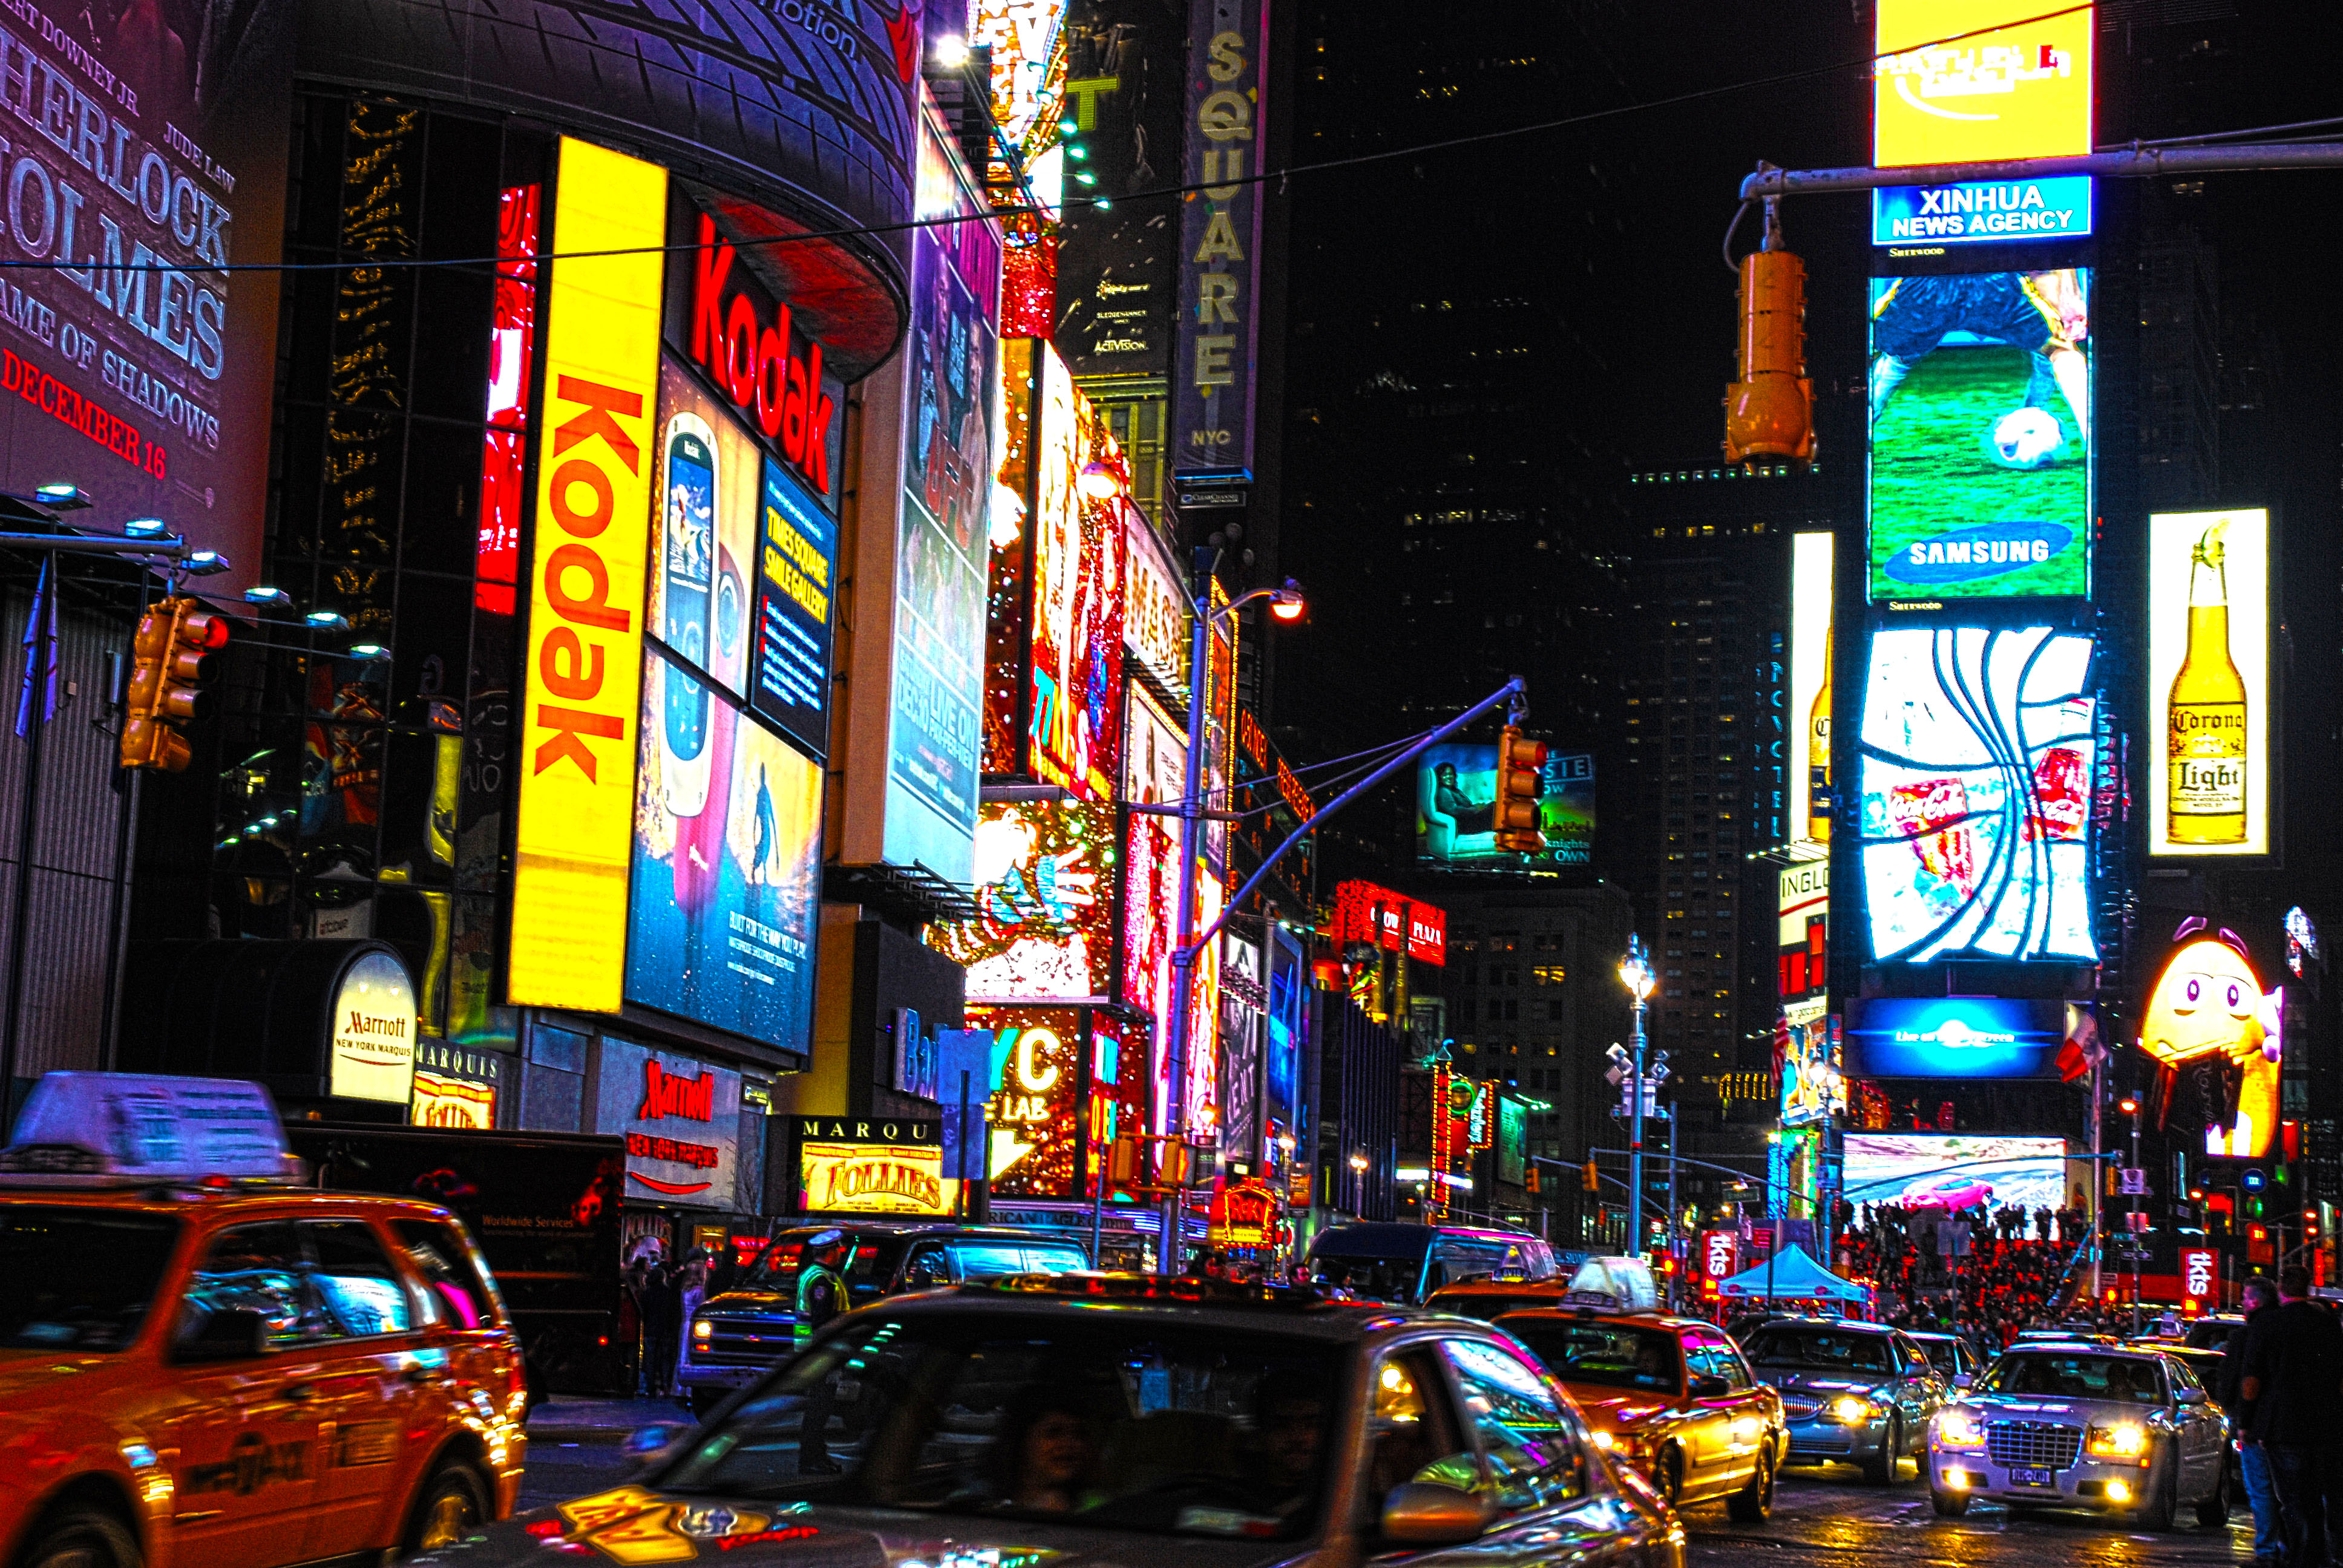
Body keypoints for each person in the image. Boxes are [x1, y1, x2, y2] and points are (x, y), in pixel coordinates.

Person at [2240, 1266, 2342, 1568]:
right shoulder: (2328, 1325)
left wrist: (2246, 1422)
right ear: (2309, 1288)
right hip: (2324, 1424)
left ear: (2282, 1288)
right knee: (2319, 1494)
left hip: (2283, 1425)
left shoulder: (2268, 1324)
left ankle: (2300, 1555)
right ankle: (2321, 1554)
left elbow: (2252, 1381)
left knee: (2292, 1497)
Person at [2226, 1276, 2284, 1567]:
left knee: (2261, 1490)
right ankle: (2290, 1546)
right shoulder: (2289, 1330)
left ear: (2256, 1301)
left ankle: (2267, 1549)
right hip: (2289, 1426)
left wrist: (2242, 1420)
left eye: (2246, 1297)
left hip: (2257, 1425)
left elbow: (2241, 1382)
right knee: (2288, 1491)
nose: (2243, 1303)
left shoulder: (2248, 1336)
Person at [985, 1390, 1101, 1514]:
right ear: (1021, 1442)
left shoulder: (1100, 1509)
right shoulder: (984, 1510)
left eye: (1078, 1434)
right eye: (1054, 1432)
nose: (1070, 1443)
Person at [1250, 1371, 1330, 1519]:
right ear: (1261, 1435)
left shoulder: (1335, 1497)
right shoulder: (1235, 1496)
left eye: (1311, 1425)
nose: (1297, 1437)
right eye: (1282, 1425)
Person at [1431, 763, 1494, 837]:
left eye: (1451, 774)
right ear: (1440, 777)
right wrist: (1475, 810)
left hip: (1469, 819)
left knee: (1492, 805)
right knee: (1493, 807)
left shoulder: (1455, 791)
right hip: (1464, 825)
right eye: (1445, 775)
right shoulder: (1443, 791)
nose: (1449, 777)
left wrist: (1478, 807)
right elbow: (1454, 810)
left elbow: (1467, 805)